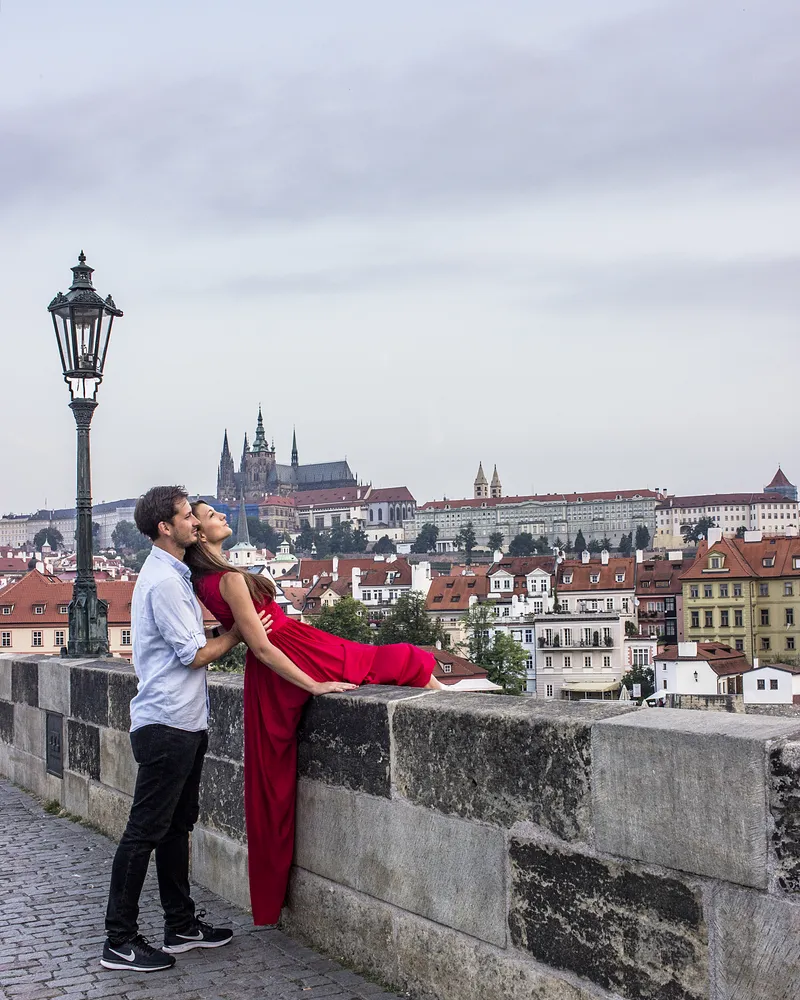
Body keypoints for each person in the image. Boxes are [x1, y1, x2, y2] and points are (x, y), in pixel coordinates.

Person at [185, 500, 443, 926]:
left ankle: (268, 901)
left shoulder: (208, 580)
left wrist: (230, 631)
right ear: (199, 532)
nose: (223, 517)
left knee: (272, 785)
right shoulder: (228, 579)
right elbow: (261, 646)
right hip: (293, 656)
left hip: (289, 654)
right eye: (213, 516)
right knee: (399, 657)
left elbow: (227, 631)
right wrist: (314, 684)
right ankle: (445, 698)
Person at [101, 486, 273, 973]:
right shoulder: (163, 582)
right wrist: (241, 631)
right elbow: (194, 654)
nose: (195, 523)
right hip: (166, 724)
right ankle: (119, 939)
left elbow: (195, 642)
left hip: (183, 722)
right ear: (165, 527)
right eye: (186, 517)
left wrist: (224, 633)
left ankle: (180, 925)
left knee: (177, 827)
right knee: (145, 832)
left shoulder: (171, 576)